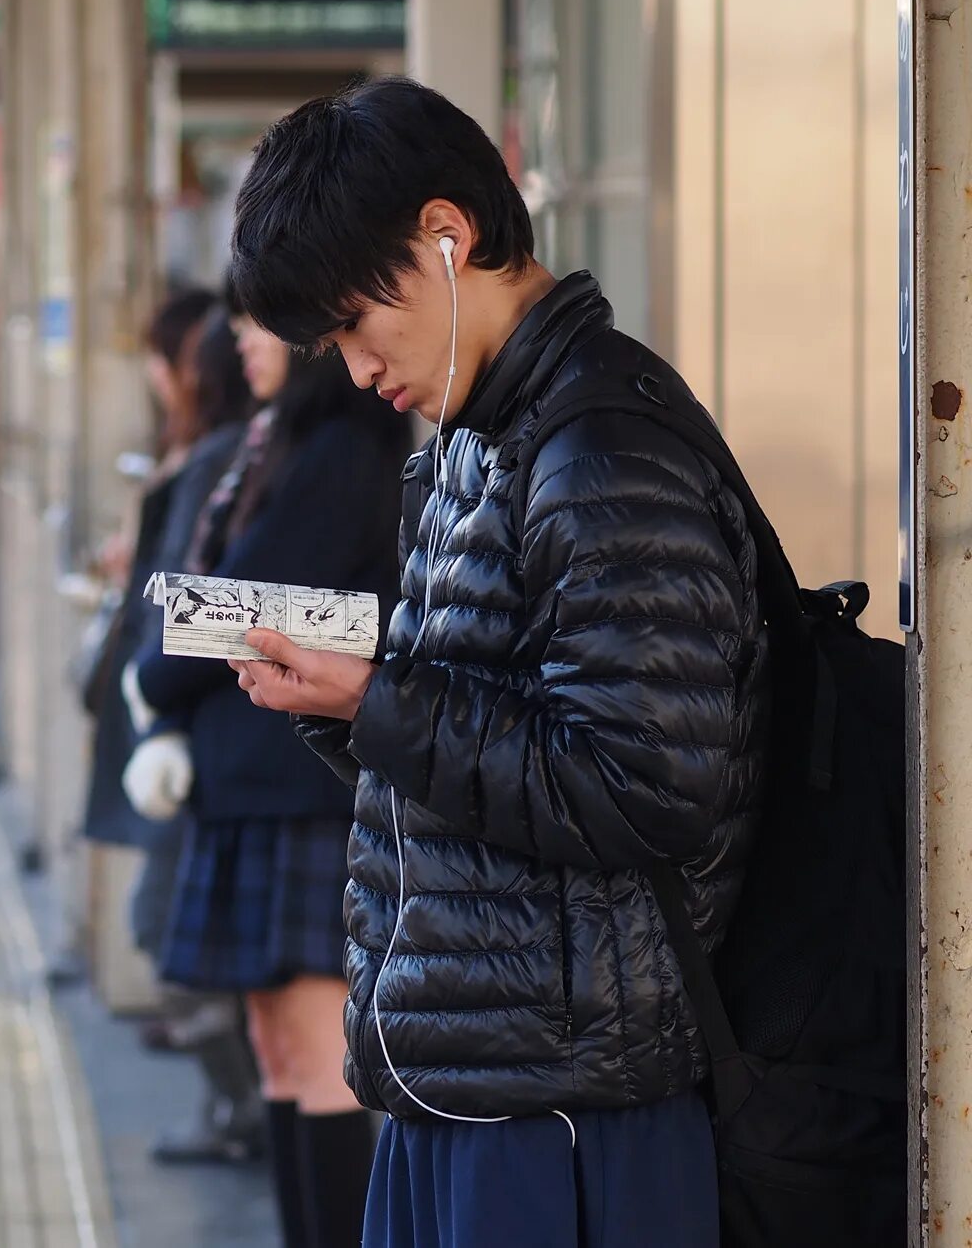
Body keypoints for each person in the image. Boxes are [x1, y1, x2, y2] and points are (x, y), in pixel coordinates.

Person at [225, 77, 770, 1248]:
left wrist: (378, 697)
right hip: (476, 1081)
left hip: (568, 1107)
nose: (357, 371)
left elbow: (642, 783)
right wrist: (346, 699)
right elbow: (482, 750)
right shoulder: (482, 441)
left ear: (445, 235)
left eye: (354, 327)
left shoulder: (597, 450)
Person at [123, 318, 413, 1246]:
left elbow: (244, 596)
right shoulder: (285, 436)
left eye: (262, 322)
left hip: (302, 786)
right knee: (279, 1049)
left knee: (313, 1051)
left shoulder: (345, 446)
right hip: (259, 783)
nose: (239, 338)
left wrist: (149, 677)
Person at [77, 290, 265, 1164]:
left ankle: (244, 1110)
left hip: (200, 736)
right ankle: (246, 1106)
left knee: (175, 932)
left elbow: (186, 610)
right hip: (203, 731)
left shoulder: (237, 460)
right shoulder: (232, 457)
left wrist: (154, 676)